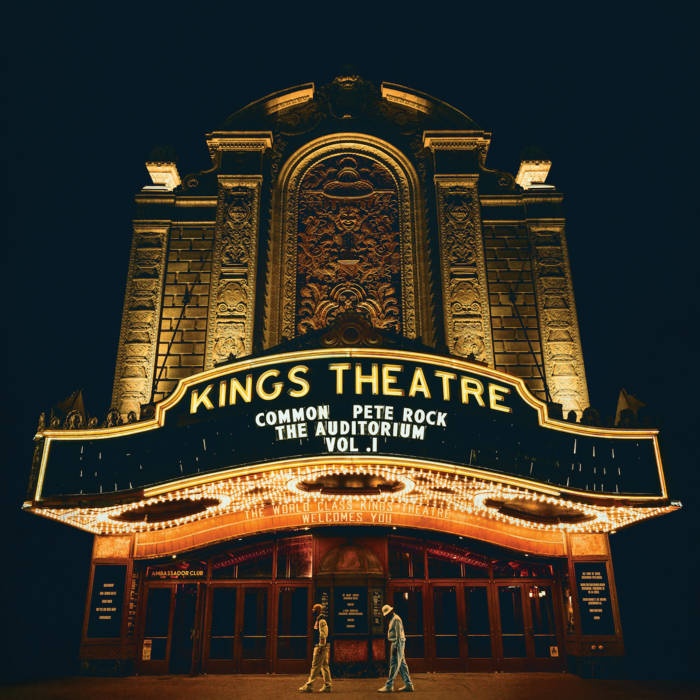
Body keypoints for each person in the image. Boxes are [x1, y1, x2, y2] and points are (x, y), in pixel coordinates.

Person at [378, 604, 414, 692]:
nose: (386, 616)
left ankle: (389, 685)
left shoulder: (396, 619)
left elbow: (398, 634)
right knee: (402, 665)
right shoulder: (393, 619)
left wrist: (396, 647)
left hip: (397, 643)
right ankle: (408, 684)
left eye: (386, 614)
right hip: (398, 643)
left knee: (394, 664)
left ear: (390, 612)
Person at [298, 603, 332, 693]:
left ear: (317, 610)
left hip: (320, 646)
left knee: (315, 666)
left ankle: (309, 685)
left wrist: (321, 646)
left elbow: (323, 634)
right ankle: (328, 686)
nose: (312, 610)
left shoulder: (321, 621)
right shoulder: (319, 620)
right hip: (322, 646)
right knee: (324, 666)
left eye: (314, 609)